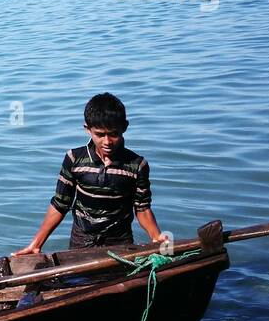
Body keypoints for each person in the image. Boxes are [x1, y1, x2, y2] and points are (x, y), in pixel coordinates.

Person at [13, 93, 168, 256]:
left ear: (125, 127)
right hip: (81, 241)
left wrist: (155, 236)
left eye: (113, 134)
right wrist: (36, 244)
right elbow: (60, 204)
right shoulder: (74, 159)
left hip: (120, 243)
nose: (107, 142)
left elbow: (142, 207)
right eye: (100, 134)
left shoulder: (137, 165)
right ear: (87, 129)